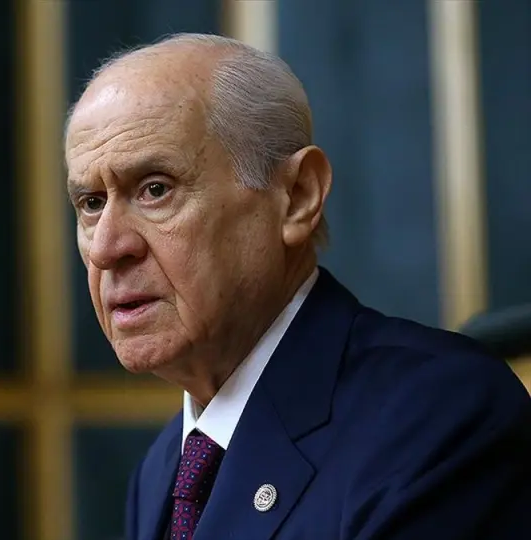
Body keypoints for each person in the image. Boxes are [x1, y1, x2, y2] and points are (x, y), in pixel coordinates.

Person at [63, 33, 531, 540]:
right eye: (91, 203)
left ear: (297, 196)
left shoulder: (440, 415)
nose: (107, 248)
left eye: (155, 189)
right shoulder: (162, 470)